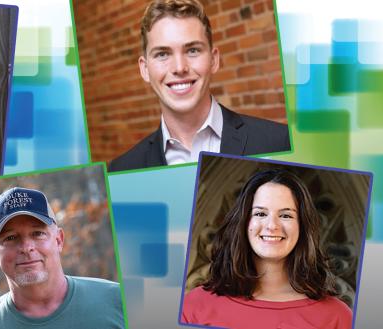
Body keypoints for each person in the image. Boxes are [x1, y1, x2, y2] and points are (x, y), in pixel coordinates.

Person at [108, 0, 290, 172]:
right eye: (163, 54)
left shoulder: (279, 142)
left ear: (214, 60)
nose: (179, 68)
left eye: (192, 50)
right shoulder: (121, 170)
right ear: (145, 69)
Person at [180, 169, 352, 329]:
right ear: (244, 222)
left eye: (286, 215)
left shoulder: (337, 317)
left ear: (302, 226)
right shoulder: (195, 306)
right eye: (260, 214)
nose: (272, 226)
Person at [0, 187, 125, 329]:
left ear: (59, 240)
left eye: (38, 233)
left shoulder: (119, 301)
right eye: (11, 238)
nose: (26, 248)